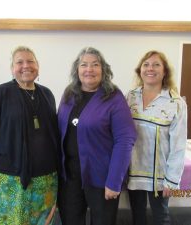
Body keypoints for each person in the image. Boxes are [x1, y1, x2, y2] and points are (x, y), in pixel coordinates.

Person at [0, 46, 59, 225]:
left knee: (43, 221)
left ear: (38, 66)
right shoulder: (0, 94)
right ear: (12, 68)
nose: (26, 66)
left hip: (46, 179)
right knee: (13, 221)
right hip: (11, 178)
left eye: (30, 61)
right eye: (19, 62)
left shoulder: (47, 94)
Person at [57, 47, 137, 225]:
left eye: (95, 64)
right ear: (77, 70)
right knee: (70, 220)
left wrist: (114, 181)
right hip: (69, 175)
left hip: (101, 176)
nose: (89, 69)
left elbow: (125, 140)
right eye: (84, 64)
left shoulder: (113, 97)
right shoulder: (69, 94)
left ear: (104, 70)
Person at [126, 50, 187, 225]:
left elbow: (179, 145)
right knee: (137, 216)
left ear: (165, 71)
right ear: (140, 71)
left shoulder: (176, 103)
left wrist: (171, 179)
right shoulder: (130, 97)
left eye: (156, 64)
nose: (150, 68)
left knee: (161, 217)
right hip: (134, 170)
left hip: (160, 175)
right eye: (146, 65)